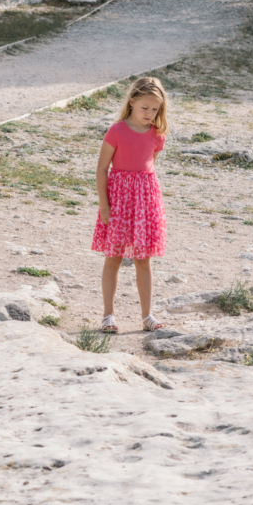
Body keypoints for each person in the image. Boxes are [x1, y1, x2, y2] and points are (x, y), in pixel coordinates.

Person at [91, 75, 168, 334]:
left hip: (145, 203)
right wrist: (105, 205)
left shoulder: (158, 135)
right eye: (145, 107)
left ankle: (147, 316)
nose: (150, 113)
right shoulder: (117, 130)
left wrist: (146, 203)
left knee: (143, 260)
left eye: (155, 109)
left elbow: (149, 167)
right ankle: (108, 315)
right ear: (132, 101)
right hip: (119, 201)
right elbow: (102, 169)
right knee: (112, 258)